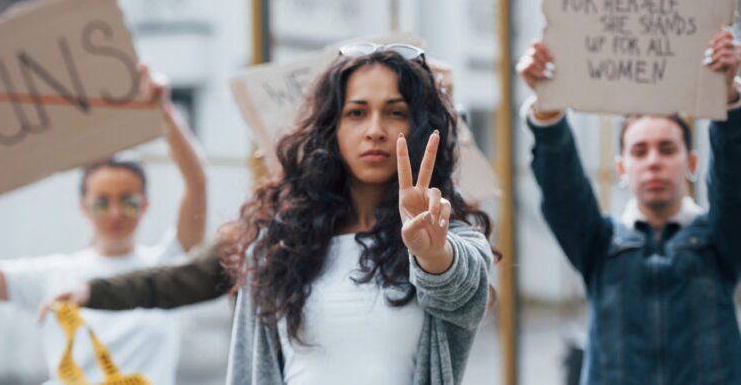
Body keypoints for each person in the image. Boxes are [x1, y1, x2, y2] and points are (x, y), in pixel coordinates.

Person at [218, 44, 494, 385]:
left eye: (395, 112)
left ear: (419, 126)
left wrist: (432, 254)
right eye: (357, 113)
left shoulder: (445, 237)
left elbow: (462, 285)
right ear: (331, 128)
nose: (375, 130)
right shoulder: (277, 245)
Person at [0, 64, 207, 385]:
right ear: (83, 206)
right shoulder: (55, 275)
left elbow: (197, 184)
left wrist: (163, 111)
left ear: (145, 204)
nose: (115, 214)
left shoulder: (166, 269)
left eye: (128, 200)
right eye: (101, 201)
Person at [516, 28, 741, 384]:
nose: (653, 161)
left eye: (667, 149)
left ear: (692, 164)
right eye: (639, 151)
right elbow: (563, 192)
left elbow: (734, 181)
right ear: (622, 168)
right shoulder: (600, 244)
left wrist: (728, 95)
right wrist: (548, 114)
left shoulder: (719, 242)